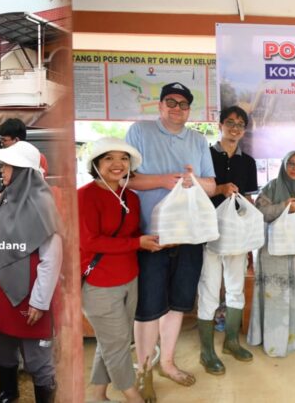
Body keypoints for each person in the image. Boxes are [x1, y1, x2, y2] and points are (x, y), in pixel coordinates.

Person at [125, 82, 216, 390]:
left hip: (189, 236)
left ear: (190, 110)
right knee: (149, 306)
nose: (177, 108)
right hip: (153, 236)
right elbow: (128, 179)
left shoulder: (199, 140)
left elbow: (212, 186)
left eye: (184, 104)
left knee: (178, 303)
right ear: (160, 105)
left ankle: (167, 363)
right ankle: (144, 369)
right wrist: (163, 180)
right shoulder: (140, 132)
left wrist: (193, 181)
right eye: (171, 102)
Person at [0, 141, 62, 403]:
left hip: (30, 292)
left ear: (23, 170)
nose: (1, 170)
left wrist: (39, 301)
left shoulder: (44, 206)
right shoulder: (4, 201)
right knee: (4, 346)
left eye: (7, 166)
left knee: (37, 357)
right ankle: (7, 393)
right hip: (1, 288)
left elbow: (51, 259)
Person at [79, 137, 161, 403]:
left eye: (123, 158)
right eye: (108, 158)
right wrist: (137, 242)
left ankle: (98, 394)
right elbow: (89, 241)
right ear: (96, 163)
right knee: (116, 346)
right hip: (99, 283)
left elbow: (133, 234)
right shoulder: (85, 196)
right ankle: (132, 396)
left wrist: (151, 240)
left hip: (129, 277)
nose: (117, 164)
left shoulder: (132, 198)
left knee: (114, 342)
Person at [197, 106, 258, 375]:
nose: (235, 128)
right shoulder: (205, 155)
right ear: (220, 125)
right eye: (230, 123)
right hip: (208, 231)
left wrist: (249, 239)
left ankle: (231, 341)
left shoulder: (249, 162)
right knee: (209, 289)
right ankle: (207, 351)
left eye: (240, 124)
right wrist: (219, 189)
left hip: (236, 235)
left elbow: (250, 200)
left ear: (244, 130)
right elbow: (196, 190)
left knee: (235, 288)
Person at [247, 150, 295, 357]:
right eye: (291, 164)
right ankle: (273, 340)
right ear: (284, 165)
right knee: (275, 297)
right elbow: (261, 213)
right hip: (274, 255)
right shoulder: (271, 187)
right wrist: (285, 206)